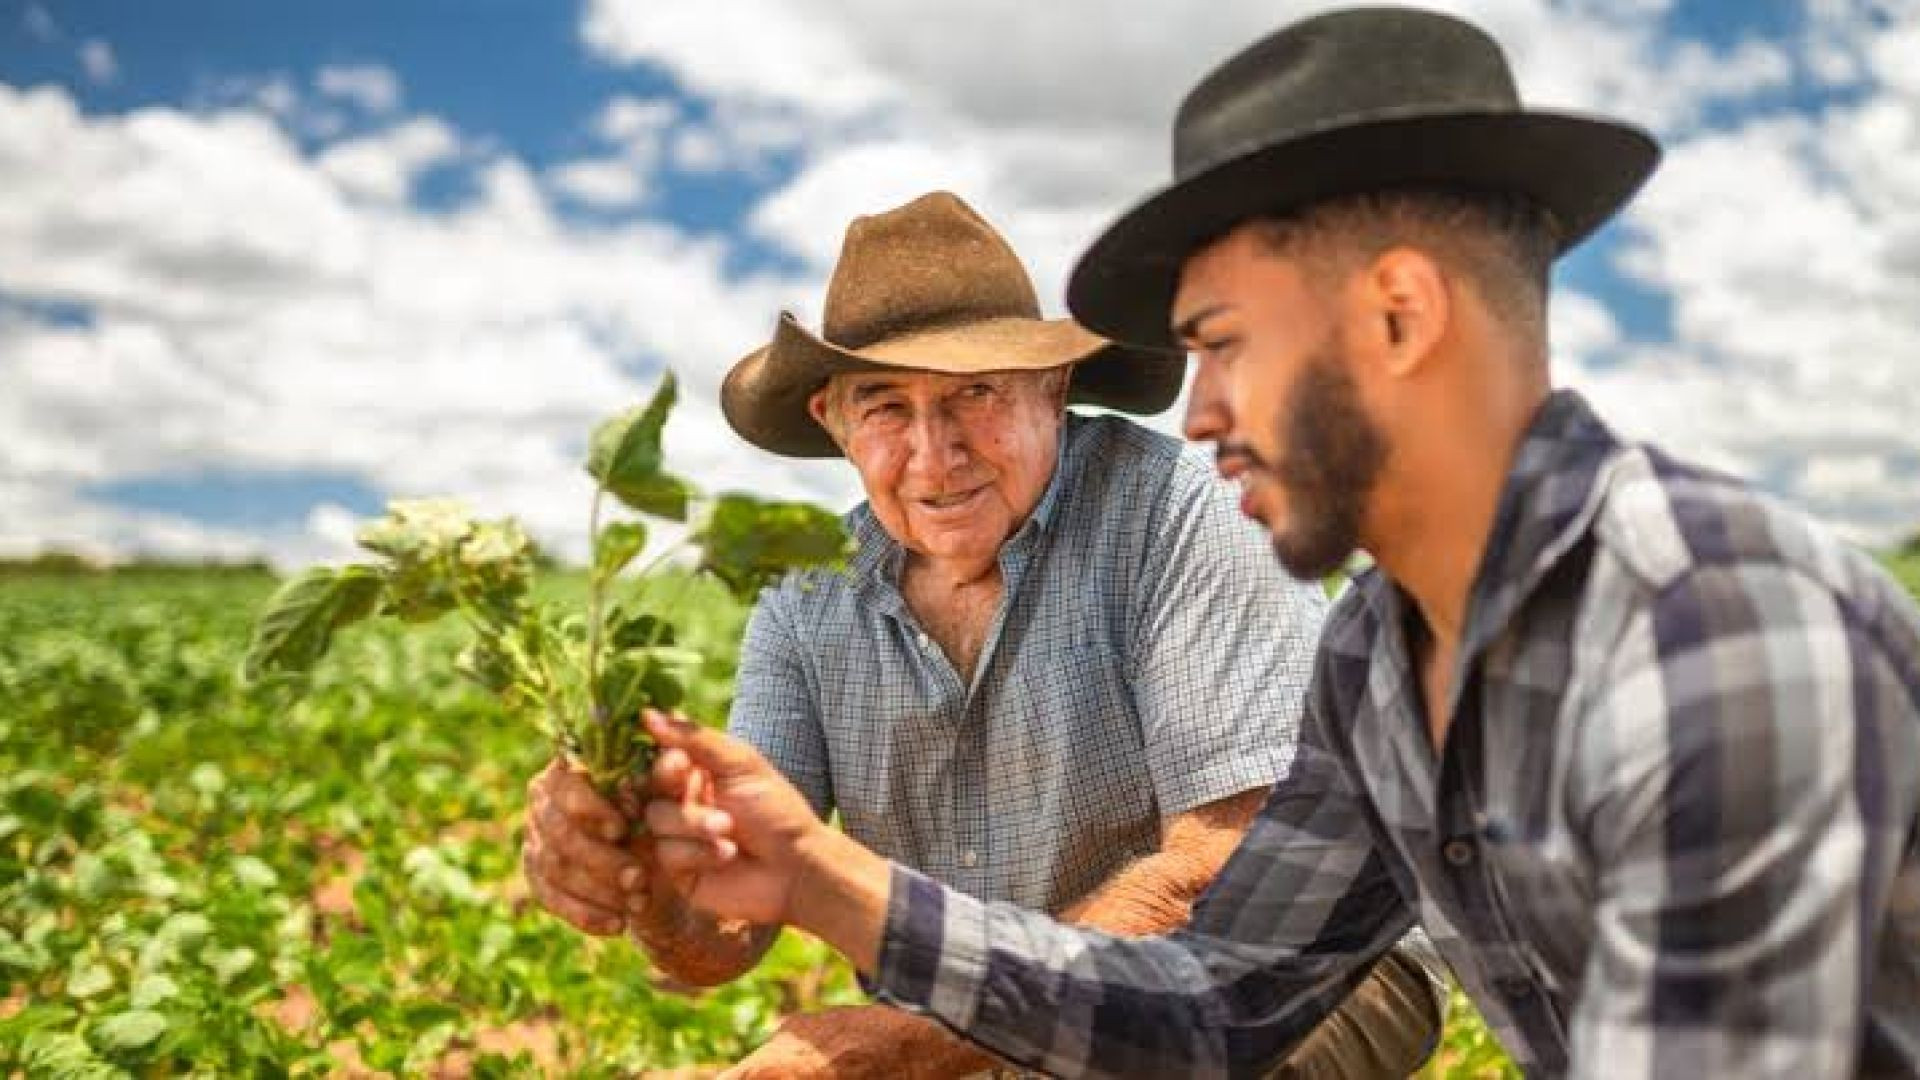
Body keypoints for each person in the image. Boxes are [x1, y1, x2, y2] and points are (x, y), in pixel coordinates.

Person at [630, 8, 1920, 1078]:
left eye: (1226, 345)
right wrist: (817, 877)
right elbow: (1214, 998)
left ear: (1398, 317)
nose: (1201, 416)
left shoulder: (1715, 625)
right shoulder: (1378, 649)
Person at [522, 191, 1444, 1077]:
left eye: (974, 394)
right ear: (832, 420)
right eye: (884, 405)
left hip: (1288, 984)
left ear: (1053, 387)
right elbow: (725, 930)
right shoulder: (806, 597)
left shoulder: (1175, 514)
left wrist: (920, 1039)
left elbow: (1222, 884)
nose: (934, 454)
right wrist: (646, 871)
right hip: (981, 1020)